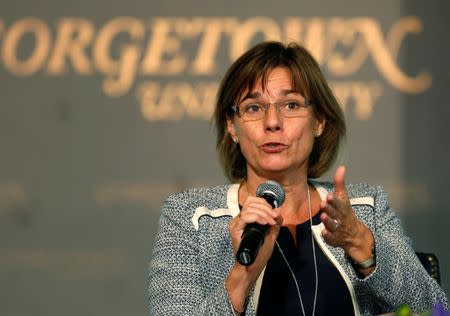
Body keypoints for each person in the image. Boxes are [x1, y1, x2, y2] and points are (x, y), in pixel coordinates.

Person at [148, 41, 448, 315]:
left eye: (291, 105)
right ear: (232, 126)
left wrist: (360, 243)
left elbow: (434, 308)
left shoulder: (365, 207)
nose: (273, 122)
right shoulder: (191, 217)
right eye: (254, 108)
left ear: (319, 121)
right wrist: (243, 274)